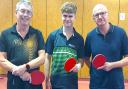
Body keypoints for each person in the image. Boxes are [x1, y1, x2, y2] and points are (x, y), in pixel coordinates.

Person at [0, 0, 45, 89]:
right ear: (16, 13)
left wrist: (25, 67)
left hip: (33, 82)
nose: (25, 15)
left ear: (31, 16)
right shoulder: (5, 34)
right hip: (14, 83)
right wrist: (19, 71)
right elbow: (1, 59)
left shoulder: (37, 34)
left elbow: (42, 58)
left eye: (28, 12)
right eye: (22, 11)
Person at [84, 4, 128, 89]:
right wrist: (95, 69)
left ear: (107, 14)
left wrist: (111, 65)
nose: (100, 16)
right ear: (93, 18)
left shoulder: (121, 33)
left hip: (116, 84)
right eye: (96, 15)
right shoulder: (90, 36)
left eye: (102, 13)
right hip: (96, 84)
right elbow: (86, 58)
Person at [45, 2, 85, 89]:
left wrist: (79, 65)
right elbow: (47, 57)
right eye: (65, 16)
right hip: (55, 82)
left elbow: (81, 59)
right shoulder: (53, 36)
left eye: (70, 16)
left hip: (71, 83)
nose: (67, 19)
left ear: (75, 17)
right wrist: (47, 80)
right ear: (61, 16)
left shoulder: (79, 39)